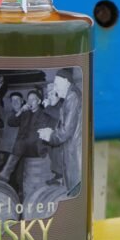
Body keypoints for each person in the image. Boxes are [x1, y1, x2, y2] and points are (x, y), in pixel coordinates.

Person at [1, 89, 56, 201]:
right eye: (29, 99)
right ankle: (6, 173)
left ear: (39, 101)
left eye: (33, 99)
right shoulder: (25, 113)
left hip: (37, 148)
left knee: (21, 142)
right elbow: (11, 122)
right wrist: (21, 110)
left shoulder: (44, 114)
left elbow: (53, 126)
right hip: (24, 149)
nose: (30, 102)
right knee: (20, 143)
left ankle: (6, 172)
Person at [39, 68, 84, 197]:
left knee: (75, 191)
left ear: (66, 82)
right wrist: (51, 131)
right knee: (72, 189)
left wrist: (50, 136)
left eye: (57, 85)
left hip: (74, 152)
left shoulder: (72, 97)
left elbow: (65, 132)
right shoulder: (71, 96)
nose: (55, 90)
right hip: (71, 150)